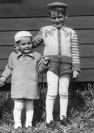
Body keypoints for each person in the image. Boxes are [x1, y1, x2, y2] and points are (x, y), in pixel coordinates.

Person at [32, 2, 81, 131]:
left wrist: (75, 67)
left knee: (64, 92)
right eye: (53, 18)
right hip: (51, 64)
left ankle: (63, 116)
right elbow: (34, 43)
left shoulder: (71, 32)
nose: (57, 20)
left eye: (60, 17)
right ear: (49, 18)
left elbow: (75, 50)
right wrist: (22, 44)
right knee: (52, 92)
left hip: (66, 64)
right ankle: (49, 118)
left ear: (66, 16)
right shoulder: (45, 30)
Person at [0, 31, 49, 132]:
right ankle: (17, 125)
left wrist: (44, 64)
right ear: (17, 45)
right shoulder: (13, 56)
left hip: (31, 85)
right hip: (18, 86)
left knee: (30, 106)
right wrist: (4, 77)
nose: (27, 46)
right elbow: (9, 67)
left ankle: (29, 124)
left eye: (29, 43)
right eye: (23, 44)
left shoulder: (37, 55)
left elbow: (40, 71)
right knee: (18, 105)